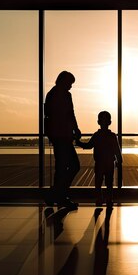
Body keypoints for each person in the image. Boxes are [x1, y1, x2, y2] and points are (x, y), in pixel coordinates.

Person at [44, 71, 82, 210]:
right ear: (63, 81)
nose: (71, 87)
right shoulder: (62, 95)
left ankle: (57, 194)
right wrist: (75, 129)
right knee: (72, 166)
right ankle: (59, 195)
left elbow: (66, 114)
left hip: (61, 136)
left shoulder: (52, 94)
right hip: (62, 137)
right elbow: (69, 114)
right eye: (70, 83)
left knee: (62, 168)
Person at [75, 111, 123, 207]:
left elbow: (88, 145)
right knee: (109, 183)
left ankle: (99, 199)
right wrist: (119, 160)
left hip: (99, 163)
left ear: (98, 122)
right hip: (109, 163)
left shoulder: (97, 135)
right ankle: (109, 199)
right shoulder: (112, 136)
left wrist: (78, 142)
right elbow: (117, 150)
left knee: (98, 182)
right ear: (110, 122)